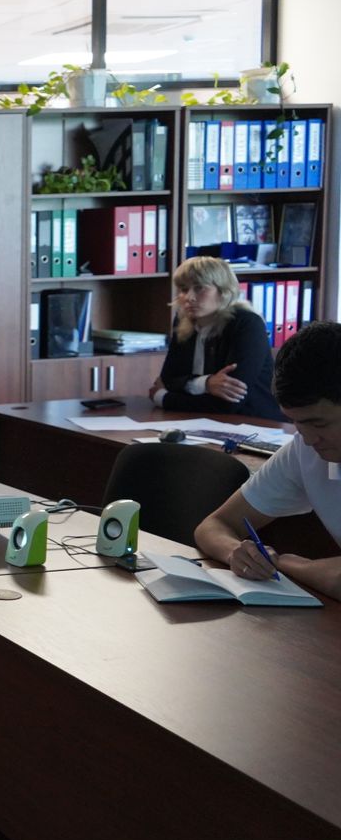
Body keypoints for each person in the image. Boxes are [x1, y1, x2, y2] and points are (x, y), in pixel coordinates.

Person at [195, 320, 341, 601]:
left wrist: (286, 563)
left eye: (318, 423)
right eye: (297, 423)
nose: (308, 439)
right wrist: (235, 552)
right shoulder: (304, 451)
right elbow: (214, 525)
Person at [149, 256, 280, 420]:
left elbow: (229, 403)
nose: (189, 297)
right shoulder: (184, 321)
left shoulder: (247, 324)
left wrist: (163, 398)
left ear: (224, 291)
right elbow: (168, 380)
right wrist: (207, 384)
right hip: (200, 422)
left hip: (254, 424)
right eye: (184, 289)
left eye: (199, 288)